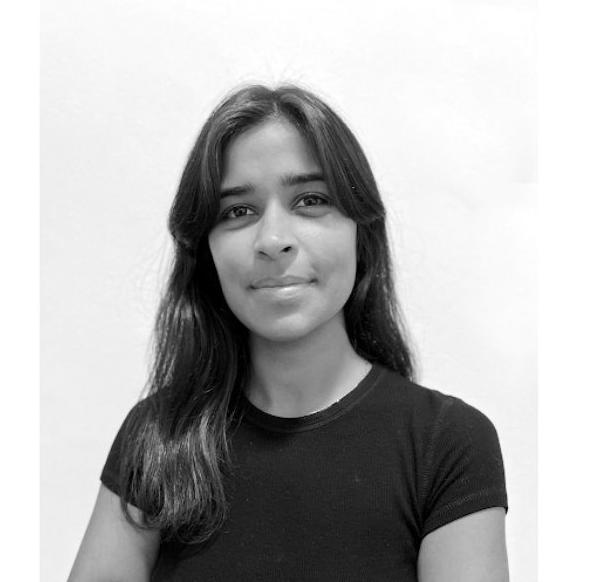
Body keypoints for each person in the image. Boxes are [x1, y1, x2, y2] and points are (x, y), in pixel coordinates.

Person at [68, 84, 509, 581]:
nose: (274, 240)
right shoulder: (159, 436)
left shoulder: (446, 443)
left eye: (311, 200)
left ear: (361, 232)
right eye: (238, 211)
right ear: (205, 251)